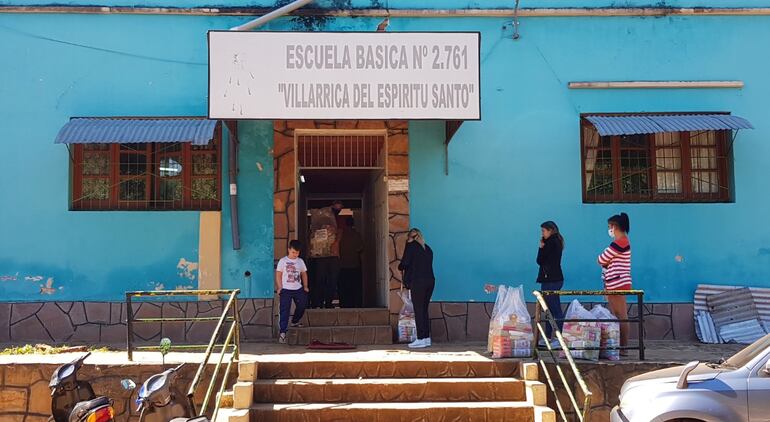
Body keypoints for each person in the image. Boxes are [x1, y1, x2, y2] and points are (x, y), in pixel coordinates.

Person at [598, 212, 632, 355]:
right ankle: (620, 345)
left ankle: (623, 347)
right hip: (614, 282)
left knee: (621, 315)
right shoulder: (621, 243)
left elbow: (601, 259)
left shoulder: (620, 242)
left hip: (617, 283)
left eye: (609, 227)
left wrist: (605, 260)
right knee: (617, 314)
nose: (609, 230)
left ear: (614, 227)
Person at [399, 228, 435, 349]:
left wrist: (401, 266)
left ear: (410, 237)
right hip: (430, 281)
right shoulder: (427, 248)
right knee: (424, 310)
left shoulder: (411, 247)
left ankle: (420, 338)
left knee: (418, 310)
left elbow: (404, 263)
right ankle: (426, 338)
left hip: (418, 282)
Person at [311, 200, 344, 308]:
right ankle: (318, 303)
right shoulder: (320, 219)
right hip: (321, 254)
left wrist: (336, 242)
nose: (338, 210)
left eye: (340, 208)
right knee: (321, 279)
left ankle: (328, 303)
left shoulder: (338, 220)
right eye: (337, 207)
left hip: (333, 255)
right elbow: (313, 234)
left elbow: (340, 232)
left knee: (332, 279)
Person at [276, 240, 309, 344]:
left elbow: (304, 274)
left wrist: (305, 286)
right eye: (293, 252)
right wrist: (280, 287)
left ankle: (295, 321)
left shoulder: (300, 261)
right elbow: (278, 275)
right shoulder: (282, 261)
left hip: (298, 288)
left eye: (297, 253)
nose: (295, 254)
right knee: (284, 310)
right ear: (289, 250)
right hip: (286, 289)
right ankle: (282, 333)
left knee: (302, 305)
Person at [536, 221, 565, 343]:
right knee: (549, 309)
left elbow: (540, 260)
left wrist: (541, 247)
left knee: (553, 309)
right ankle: (549, 337)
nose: (542, 233)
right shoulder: (557, 242)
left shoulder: (551, 243)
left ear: (550, 230)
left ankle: (558, 338)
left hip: (551, 279)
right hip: (553, 278)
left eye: (543, 231)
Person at [338, 217, 364, 308]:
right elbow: (360, 248)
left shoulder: (341, 235)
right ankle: (355, 304)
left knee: (343, 287)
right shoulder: (356, 235)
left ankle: (344, 304)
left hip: (342, 265)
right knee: (355, 287)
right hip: (354, 264)